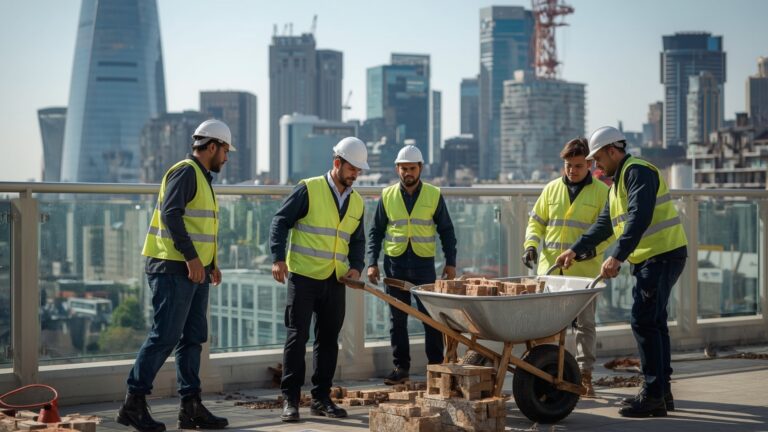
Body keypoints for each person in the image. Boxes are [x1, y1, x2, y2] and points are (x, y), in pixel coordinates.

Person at [555, 126, 688, 418]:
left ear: (613, 151)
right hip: (654, 257)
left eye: (598, 158)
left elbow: (639, 218)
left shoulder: (637, 172)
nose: (595, 164)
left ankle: (653, 394)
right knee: (654, 322)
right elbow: (604, 224)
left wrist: (616, 256)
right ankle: (662, 393)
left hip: (661, 255)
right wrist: (575, 249)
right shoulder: (617, 184)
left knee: (643, 321)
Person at [117, 119, 233, 432]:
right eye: (225, 150)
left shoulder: (203, 176)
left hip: (194, 270)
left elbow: (202, 225)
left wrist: (211, 263)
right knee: (165, 336)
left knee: (193, 337)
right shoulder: (186, 171)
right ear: (211, 147)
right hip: (172, 267)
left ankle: (191, 406)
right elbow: (171, 213)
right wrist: (193, 258)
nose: (227, 157)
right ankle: (133, 403)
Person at [270, 137, 368, 423]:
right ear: (337, 163)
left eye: (359, 171)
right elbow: (280, 221)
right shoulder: (308, 189)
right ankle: (290, 400)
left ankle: (321, 399)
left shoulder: (357, 201)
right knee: (297, 338)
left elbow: (357, 240)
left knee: (328, 341)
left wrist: (357, 267)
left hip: (335, 280)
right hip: (303, 276)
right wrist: (278, 258)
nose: (355, 175)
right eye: (352, 169)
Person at [522, 137, 611, 397]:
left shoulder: (602, 193)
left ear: (590, 164)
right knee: (547, 326)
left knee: (585, 325)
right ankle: (549, 371)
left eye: (578, 166)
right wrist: (530, 245)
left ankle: (585, 376)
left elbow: (610, 232)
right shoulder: (550, 189)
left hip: (584, 272)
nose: (572, 170)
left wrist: (590, 251)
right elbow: (536, 222)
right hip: (551, 271)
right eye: (568, 165)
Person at [367, 145, 457, 385]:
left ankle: (435, 368)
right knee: (397, 320)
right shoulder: (387, 195)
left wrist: (451, 263)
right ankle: (401, 368)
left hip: (423, 265)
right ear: (397, 169)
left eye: (412, 168)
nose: (408, 172)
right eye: (404, 168)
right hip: (394, 264)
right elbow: (376, 231)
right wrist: (371, 263)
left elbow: (447, 231)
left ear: (420, 169)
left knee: (430, 319)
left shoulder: (433, 194)